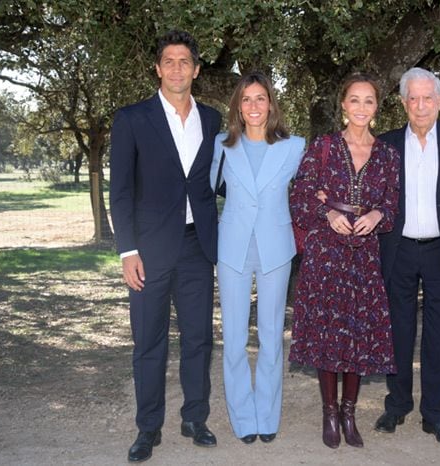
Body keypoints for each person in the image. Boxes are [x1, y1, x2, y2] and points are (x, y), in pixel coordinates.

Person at [110, 30, 221, 462]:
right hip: (148, 253)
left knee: (198, 340)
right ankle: (148, 427)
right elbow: (119, 191)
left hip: (197, 248)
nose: (177, 68)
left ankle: (195, 418)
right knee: (148, 342)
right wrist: (127, 250)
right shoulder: (132, 118)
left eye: (185, 61)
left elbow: (218, 179)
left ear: (196, 69)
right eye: (168, 61)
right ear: (158, 69)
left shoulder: (211, 120)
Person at [289, 72, 400, 449]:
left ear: (376, 108)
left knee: (357, 334)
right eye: (355, 99)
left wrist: (376, 216)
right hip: (326, 254)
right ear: (343, 104)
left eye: (369, 100)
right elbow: (301, 196)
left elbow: (392, 205)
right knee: (327, 334)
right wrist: (328, 215)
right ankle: (330, 412)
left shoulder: (387, 155)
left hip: (364, 256)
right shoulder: (322, 146)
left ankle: (350, 413)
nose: (361, 107)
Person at [373, 67, 440, 446]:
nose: (421, 106)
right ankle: (397, 404)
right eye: (413, 99)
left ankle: (434, 414)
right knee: (397, 334)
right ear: (403, 103)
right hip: (398, 250)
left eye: (428, 98)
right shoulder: (385, 143)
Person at [210, 72, 305, 445]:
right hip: (232, 248)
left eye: (260, 98)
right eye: (246, 99)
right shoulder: (220, 145)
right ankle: (242, 418)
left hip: (275, 249)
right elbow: (205, 190)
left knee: (270, 337)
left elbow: (311, 191)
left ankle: (267, 416)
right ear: (237, 105)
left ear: (271, 103)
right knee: (233, 338)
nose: (253, 106)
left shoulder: (295, 146)